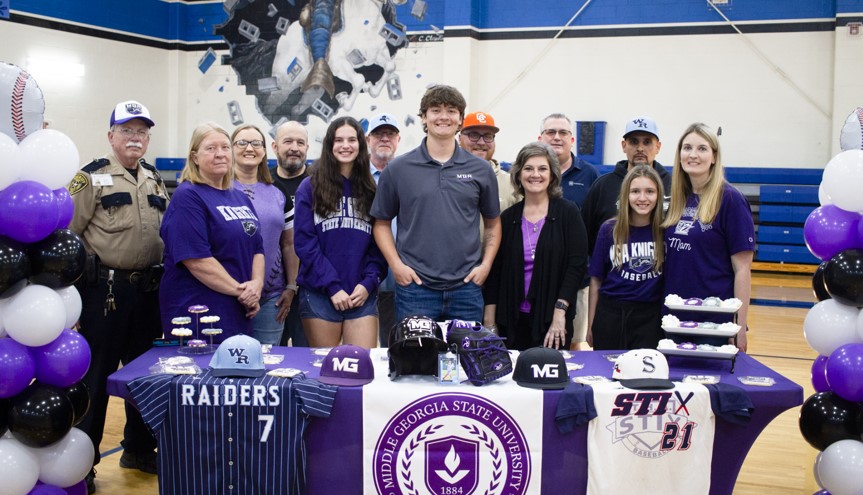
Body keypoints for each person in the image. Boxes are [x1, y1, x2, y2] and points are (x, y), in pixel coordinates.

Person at [68, 100, 168, 493]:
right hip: (103, 294)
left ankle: (139, 449)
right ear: (111, 136)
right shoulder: (88, 178)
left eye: (141, 131)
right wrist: (71, 301)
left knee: (143, 378)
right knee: (95, 380)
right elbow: (68, 237)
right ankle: (83, 463)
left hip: (148, 294)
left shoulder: (155, 178)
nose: (135, 138)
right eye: (127, 130)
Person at [371, 85, 501, 323]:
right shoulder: (398, 169)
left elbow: (493, 223)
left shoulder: (481, 170)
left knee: (466, 359)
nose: (443, 116)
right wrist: (396, 265)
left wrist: (485, 266)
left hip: (467, 289)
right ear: (424, 117)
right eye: (435, 110)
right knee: (414, 359)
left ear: (460, 119)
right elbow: (381, 224)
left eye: (451, 110)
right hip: (415, 289)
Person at [159, 122, 265, 342]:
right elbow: (197, 260)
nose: (220, 154)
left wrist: (256, 286)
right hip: (199, 312)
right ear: (195, 157)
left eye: (225, 147)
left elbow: (257, 248)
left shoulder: (240, 198)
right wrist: (242, 292)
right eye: (211, 148)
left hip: (239, 309)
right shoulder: (188, 197)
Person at [483, 142, 587, 350]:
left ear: (552, 175)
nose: (535, 175)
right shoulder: (508, 218)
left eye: (542, 169)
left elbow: (576, 267)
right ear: (519, 174)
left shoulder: (568, 213)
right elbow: (495, 273)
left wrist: (560, 312)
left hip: (553, 321)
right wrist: (489, 322)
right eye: (528, 168)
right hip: (510, 320)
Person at [294, 116, 385, 348]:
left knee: (362, 368)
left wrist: (368, 283)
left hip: (361, 293)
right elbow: (305, 244)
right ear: (329, 145)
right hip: (320, 293)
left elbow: (379, 246)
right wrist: (332, 286)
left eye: (352, 140)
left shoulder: (371, 189)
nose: (346, 145)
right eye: (339, 140)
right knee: (322, 372)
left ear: (361, 144)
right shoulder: (310, 186)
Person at [663, 123, 755, 352]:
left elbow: (743, 269)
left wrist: (739, 326)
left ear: (714, 157)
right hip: (674, 319)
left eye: (702, 149)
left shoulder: (730, 200)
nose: (693, 155)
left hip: (714, 322)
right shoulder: (675, 199)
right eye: (687, 148)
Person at [231, 124, 297, 345]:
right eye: (242, 142)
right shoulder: (217, 189)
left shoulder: (278, 192)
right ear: (231, 148)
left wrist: (291, 286)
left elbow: (288, 244)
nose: (249, 148)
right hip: (227, 293)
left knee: (267, 363)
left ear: (264, 150)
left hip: (272, 298)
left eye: (256, 143)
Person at [587, 165, 665, 350]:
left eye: (650, 191)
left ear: (659, 195)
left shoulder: (665, 231)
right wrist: (591, 324)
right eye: (635, 191)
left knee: (645, 377)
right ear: (625, 195)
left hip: (649, 318)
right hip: (610, 315)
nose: (642, 198)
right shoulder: (609, 229)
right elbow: (596, 279)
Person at [538, 112, 599, 350]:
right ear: (540, 138)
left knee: (574, 343)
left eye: (563, 132)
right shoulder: (531, 172)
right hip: (537, 276)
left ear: (572, 140)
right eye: (550, 132)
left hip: (578, 280)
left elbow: (594, 226)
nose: (557, 137)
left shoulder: (590, 175)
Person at [582, 116, 671, 254]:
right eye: (634, 142)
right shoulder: (603, 186)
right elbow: (585, 236)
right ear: (624, 146)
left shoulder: (673, 185)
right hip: (611, 273)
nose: (640, 148)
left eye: (647, 142)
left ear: (658, 147)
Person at [270, 120, 309, 347]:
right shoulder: (264, 184)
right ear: (275, 147)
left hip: (312, 287)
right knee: (272, 355)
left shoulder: (320, 182)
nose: (294, 147)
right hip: (273, 290)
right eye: (288, 141)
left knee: (310, 354)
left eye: (300, 142)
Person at [366, 113, 401, 346]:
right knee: (360, 349)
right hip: (362, 275)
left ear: (398, 139)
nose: (385, 139)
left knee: (394, 344)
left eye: (390, 134)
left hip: (399, 275)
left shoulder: (407, 174)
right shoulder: (356, 176)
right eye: (379, 134)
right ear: (368, 139)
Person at [458, 111, 518, 211]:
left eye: (488, 136)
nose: (481, 142)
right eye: (473, 135)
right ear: (460, 139)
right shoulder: (446, 176)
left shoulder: (511, 183)